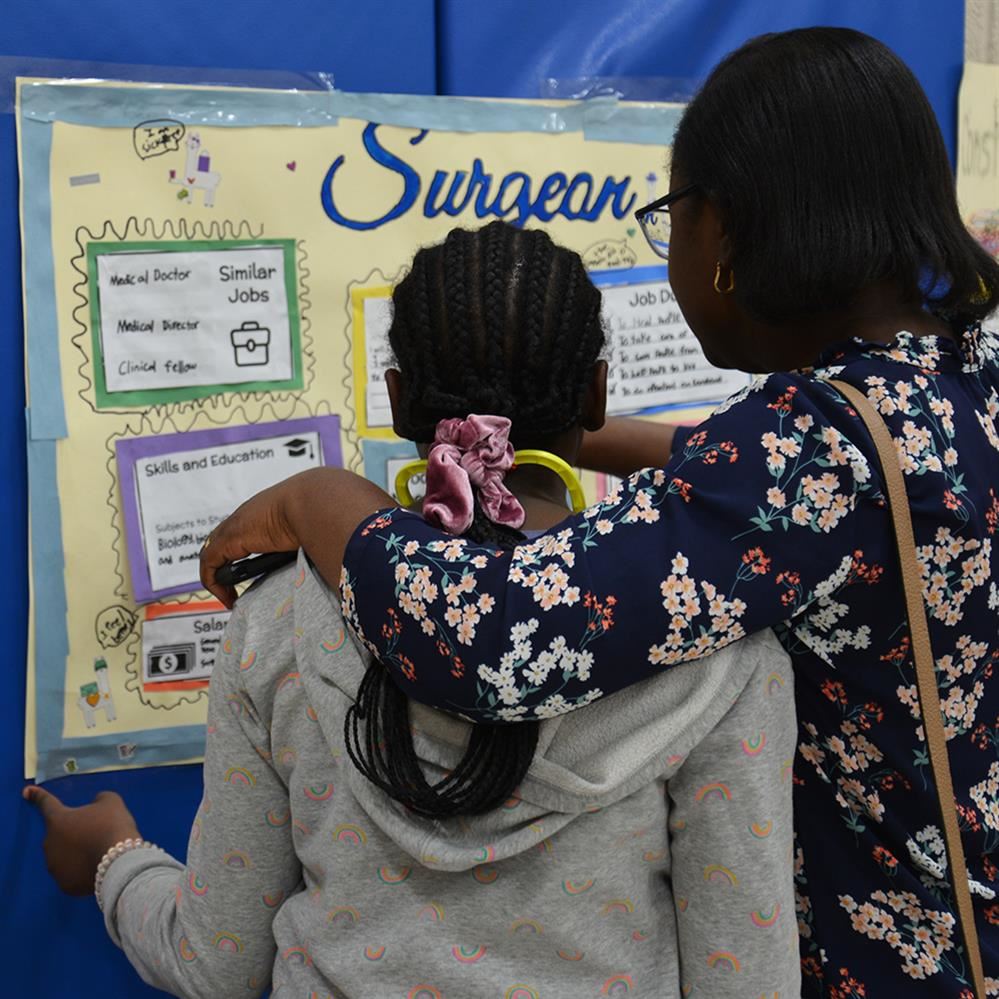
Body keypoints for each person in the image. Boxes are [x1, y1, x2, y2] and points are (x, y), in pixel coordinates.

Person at [192, 28, 999, 997]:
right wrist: (586, 435)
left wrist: (320, 497)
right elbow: (834, 497)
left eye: (675, 218)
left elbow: (493, 642)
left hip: (876, 959)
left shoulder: (800, 450)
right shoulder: (953, 384)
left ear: (731, 231)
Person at [26, 222, 799, 999]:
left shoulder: (276, 617)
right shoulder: (710, 639)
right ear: (596, 394)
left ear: (397, 399)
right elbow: (748, 978)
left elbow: (217, 964)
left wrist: (113, 857)